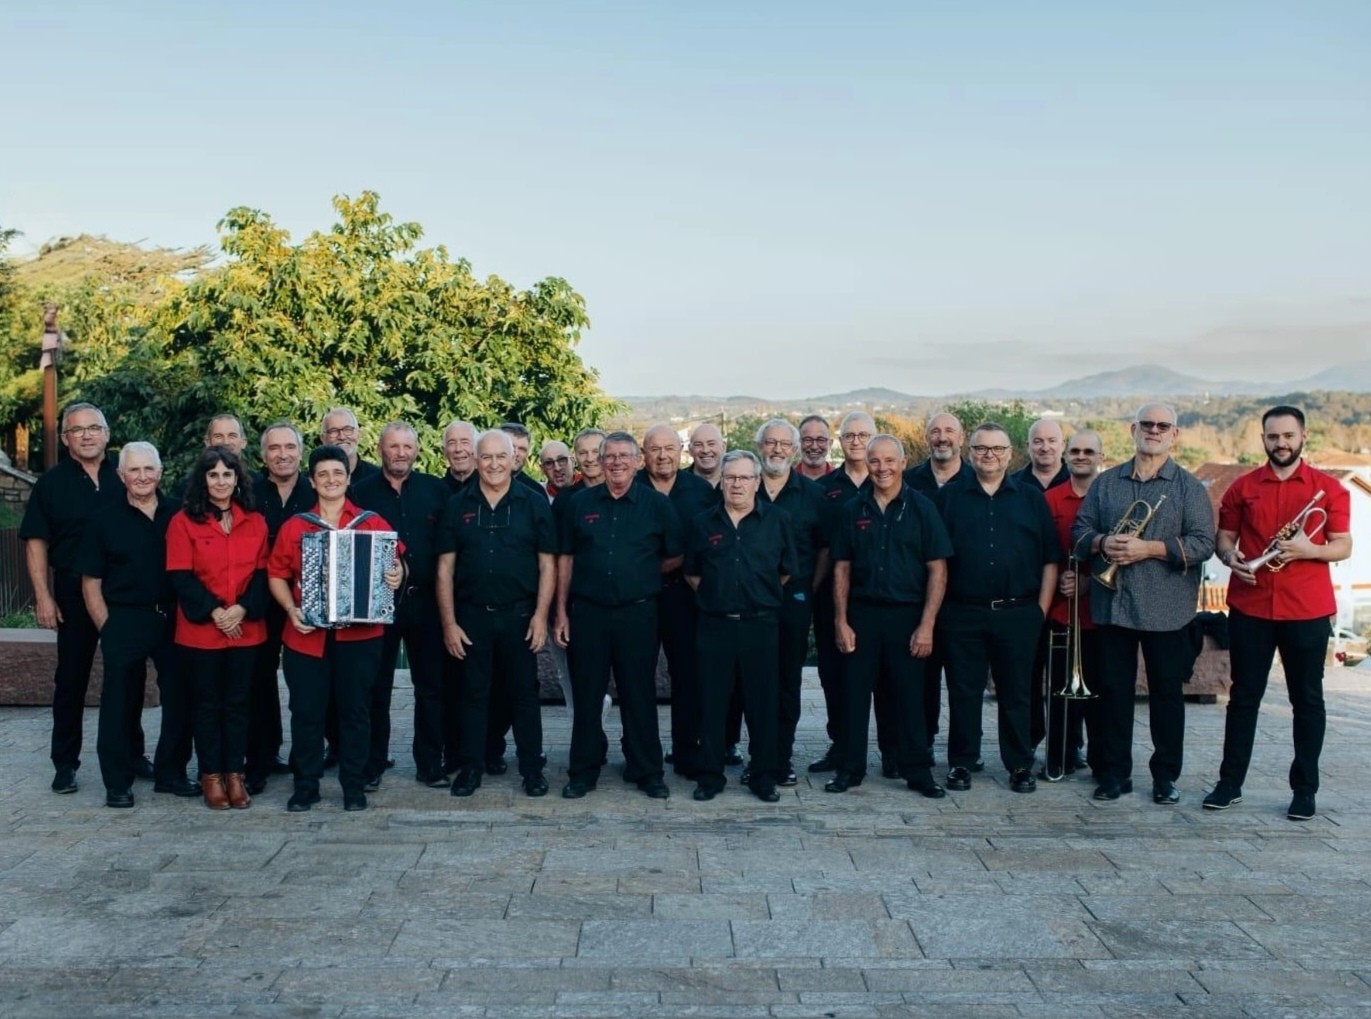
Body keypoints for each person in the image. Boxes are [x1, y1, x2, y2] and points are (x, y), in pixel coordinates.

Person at [1204, 406, 1352, 821]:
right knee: (1243, 697)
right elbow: (1224, 539)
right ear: (1263, 439)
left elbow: (1343, 545)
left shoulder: (1329, 490)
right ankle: (1229, 783)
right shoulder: (1242, 487)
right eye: (1273, 437)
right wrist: (1231, 558)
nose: (1281, 443)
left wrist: (1309, 550)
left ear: (1303, 436)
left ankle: (1304, 790)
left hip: (1307, 609)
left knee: (1306, 700)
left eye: (1288, 436)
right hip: (1251, 607)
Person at [1072, 404, 1215, 805]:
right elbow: (1079, 531)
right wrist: (1103, 543)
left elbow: (1204, 543)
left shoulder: (1189, 488)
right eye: (1147, 424)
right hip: (1114, 605)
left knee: (1166, 697)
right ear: (1133, 429)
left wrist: (1148, 549)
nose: (1154, 430)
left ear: (1175, 435)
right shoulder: (1106, 484)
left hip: (1168, 610)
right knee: (1112, 693)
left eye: (1162, 426)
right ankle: (1114, 775)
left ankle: (1165, 777)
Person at [268, 445, 404, 812]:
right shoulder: (296, 526)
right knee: (307, 712)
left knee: (356, 712)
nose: (331, 480)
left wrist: (396, 575)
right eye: (323, 474)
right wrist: (291, 610)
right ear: (313, 481)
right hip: (305, 636)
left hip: (360, 637)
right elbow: (277, 574)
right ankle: (306, 785)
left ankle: (353, 786)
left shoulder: (370, 522)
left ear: (348, 479)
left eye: (337, 474)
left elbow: (397, 563)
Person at [555, 431, 681, 800]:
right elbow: (566, 559)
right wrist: (561, 612)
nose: (616, 463)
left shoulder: (656, 505)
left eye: (624, 456)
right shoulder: (579, 504)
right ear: (599, 461)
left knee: (639, 694)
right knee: (587, 695)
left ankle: (647, 771)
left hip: (638, 613)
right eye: (609, 457)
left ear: (637, 461)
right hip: (588, 613)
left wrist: (641, 572)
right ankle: (583, 770)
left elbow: (677, 553)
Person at [936, 422, 1060, 794]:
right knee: (963, 691)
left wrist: (1039, 611)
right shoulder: (949, 498)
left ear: (1010, 454)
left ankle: (1020, 765)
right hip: (962, 612)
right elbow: (936, 559)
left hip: (1018, 613)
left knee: (1017, 692)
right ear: (969, 452)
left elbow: (1050, 559)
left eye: (997, 449)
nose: (989, 455)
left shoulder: (1030, 498)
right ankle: (961, 762)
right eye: (981, 448)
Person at [828, 435, 952, 799]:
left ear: (902, 462)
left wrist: (927, 625)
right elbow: (841, 569)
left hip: (907, 617)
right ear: (866, 464)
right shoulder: (852, 509)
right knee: (853, 697)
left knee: (910, 698)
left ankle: (916, 771)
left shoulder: (923, 508)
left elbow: (938, 570)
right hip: (862, 616)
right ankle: (849, 769)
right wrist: (840, 620)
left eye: (889, 461)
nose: (882, 468)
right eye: (875, 461)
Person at [437, 430, 557, 798]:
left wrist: (541, 617)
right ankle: (470, 769)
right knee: (473, 695)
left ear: (513, 459)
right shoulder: (458, 506)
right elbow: (444, 569)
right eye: (485, 457)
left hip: (520, 616)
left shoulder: (533, 503)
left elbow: (548, 565)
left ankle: (532, 771)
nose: (493, 464)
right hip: (472, 618)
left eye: (500, 457)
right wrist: (449, 624)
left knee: (524, 695)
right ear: (475, 460)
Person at [76, 442, 196, 807]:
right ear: (121, 475)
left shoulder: (181, 513)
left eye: (149, 469)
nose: (142, 476)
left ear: (160, 473)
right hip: (124, 617)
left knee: (180, 697)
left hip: (175, 616)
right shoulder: (103, 518)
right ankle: (117, 781)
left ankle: (171, 773)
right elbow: (90, 582)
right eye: (134, 470)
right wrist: (107, 628)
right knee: (119, 702)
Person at [21, 402, 126, 795]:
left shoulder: (127, 474)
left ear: (106, 433)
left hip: (123, 593)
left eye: (93, 428)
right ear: (65, 439)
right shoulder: (51, 484)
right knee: (71, 681)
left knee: (126, 677)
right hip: (70, 593)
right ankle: (65, 764)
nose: (86, 435)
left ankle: (132, 754)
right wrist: (43, 597)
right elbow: (35, 542)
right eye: (77, 429)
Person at [685, 450, 797, 803]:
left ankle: (763, 775)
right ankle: (710, 776)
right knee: (712, 703)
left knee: (762, 705)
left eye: (744, 478)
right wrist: (717, 596)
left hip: (760, 626)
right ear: (721, 482)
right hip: (714, 627)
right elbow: (691, 572)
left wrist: (756, 595)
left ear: (757, 481)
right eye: (730, 477)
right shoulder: (703, 523)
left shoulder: (777, 520)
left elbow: (786, 569)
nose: (737, 484)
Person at [165, 446, 270, 810]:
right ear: (203, 480)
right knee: (206, 706)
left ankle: (234, 775)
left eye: (228, 474)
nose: (221, 481)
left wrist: (240, 610)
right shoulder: (183, 521)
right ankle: (210, 775)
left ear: (238, 479)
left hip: (245, 629)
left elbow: (262, 573)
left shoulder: (255, 521)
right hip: (201, 632)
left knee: (239, 705)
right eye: (214, 475)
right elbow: (181, 576)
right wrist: (215, 613)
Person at [351, 421, 451, 791]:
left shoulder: (435, 490)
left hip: (426, 601)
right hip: (378, 602)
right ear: (380, 449)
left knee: (431, 686)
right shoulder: (359, 493)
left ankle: (430, 764)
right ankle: (372, 764)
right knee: (376, 686)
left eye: (407, 447)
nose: (401, 453)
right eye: (394, 447)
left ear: (417, 450)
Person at [812, 411, 896, 775]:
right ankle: (842, 747)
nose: (857, 441)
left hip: (884, 600)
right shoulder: (825, 489)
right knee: (835, 677)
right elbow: (819, 548)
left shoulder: (895, 485)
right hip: (834, 600)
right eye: (850, 435)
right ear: (840, 441)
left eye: (864, 435)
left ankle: (892, 753)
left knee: (886, 681)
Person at [638, 424, 717, 777]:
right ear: (644, 454)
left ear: (681, 451)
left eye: (669, 448)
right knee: (636, 678)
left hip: (685, 597)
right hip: (638, 598)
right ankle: (641, 757)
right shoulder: (631, 488)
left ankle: (687, 752)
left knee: (687, 677)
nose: (662, 455)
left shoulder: (700, 491)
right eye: (655, 449)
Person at [754, 418, 828, 786]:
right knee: (751, 681)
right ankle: (755, 756)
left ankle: (780, 758)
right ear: (760, 447)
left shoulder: (813, 496)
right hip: (748, 603)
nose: (778, 449)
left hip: (792, 600)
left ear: (795, 450)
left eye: (785, 444)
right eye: (771, 443)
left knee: (786, 682)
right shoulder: (741, 487)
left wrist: (807, 589)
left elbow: (824, 550)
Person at [903, 411, 975, 765]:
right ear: (926, 437)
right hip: (918, 597)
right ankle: (924, 742)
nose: (942, 437)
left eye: (949, 431)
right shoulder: (907, 481)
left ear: (962, 438)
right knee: (922, 679)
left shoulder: (979, 480)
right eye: (935, 431)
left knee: (964, 682)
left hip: (965, 599)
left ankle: (966, 751)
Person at [246, 421, 311, 793]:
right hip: (258, 597)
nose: (282, 454)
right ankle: (260, 758)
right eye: (274, 448)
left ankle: (313, 758)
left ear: (300, 451)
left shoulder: (315, 489)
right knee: (258, 680)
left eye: (289, 447)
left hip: (306, 600)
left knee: (306, 682)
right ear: (263, 455)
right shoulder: (249, 492)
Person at [1040, 431, 1105, 779]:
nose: (1081, 456)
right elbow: (1043, 553)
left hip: (1103, 614)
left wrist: (1087, 582)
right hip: (1062, 612)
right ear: (1066, 455)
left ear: (1101, 456)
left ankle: (1100, 762)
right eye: (1075, 451)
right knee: (1059, 692)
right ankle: (1060, 756)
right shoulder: (1049, 500)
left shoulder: (1111, 498)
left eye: (1089, 451)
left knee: (1100, 695)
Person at [320, 407, 378, 485]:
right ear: (323, 438)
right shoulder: (310, 482)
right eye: (333, 431)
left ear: (358, 434)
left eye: (348, 429)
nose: (342, 437)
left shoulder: (377, 478)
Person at [1014, 418, 1068, 492]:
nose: (1045, 448)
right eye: (1038, 442)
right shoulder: (1012, 485)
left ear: (1063, 445)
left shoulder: (1079, 481)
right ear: (1028, 446)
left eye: (1052, 441)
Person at [441, 420, 479, 494]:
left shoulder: (490, 489)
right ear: (444, 451)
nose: (458, 449)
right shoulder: (435, 491)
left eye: (465, 442)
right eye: (452, 443)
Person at [796, 415, 833, 480]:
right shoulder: (785, 481)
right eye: (808, 440)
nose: (814, 447)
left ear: (830, 443)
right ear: (798, 443)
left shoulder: (842, 482)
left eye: (821, 440)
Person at [688, 423, 726, 487]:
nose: (705, 450)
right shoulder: (676, 483)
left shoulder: (736, 482)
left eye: (711, 444)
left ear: (723, 447)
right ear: (690, 450)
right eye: (698, 444)